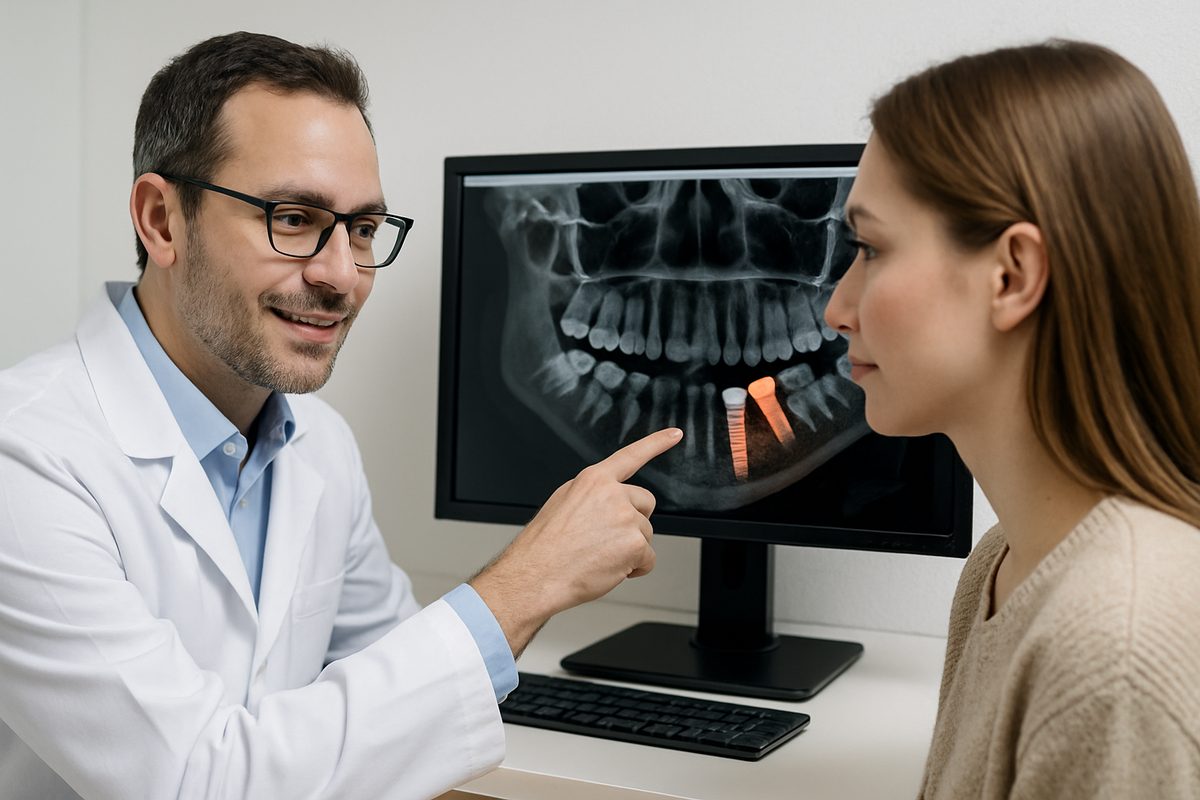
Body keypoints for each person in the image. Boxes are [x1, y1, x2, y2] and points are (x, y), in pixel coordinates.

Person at [0, 31, 681, 800]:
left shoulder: (317, 443)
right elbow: (199, 782)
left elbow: (390, 680)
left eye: (361, 230)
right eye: (292, 218)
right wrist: (527, 582)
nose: (340, 277)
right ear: (162, 220)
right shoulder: (24, 459)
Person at [825, 40, 1200, 798]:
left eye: (869, 248)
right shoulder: (1003, 564)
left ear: (1013, 275)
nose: (837, 308)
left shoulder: (1109, 646)